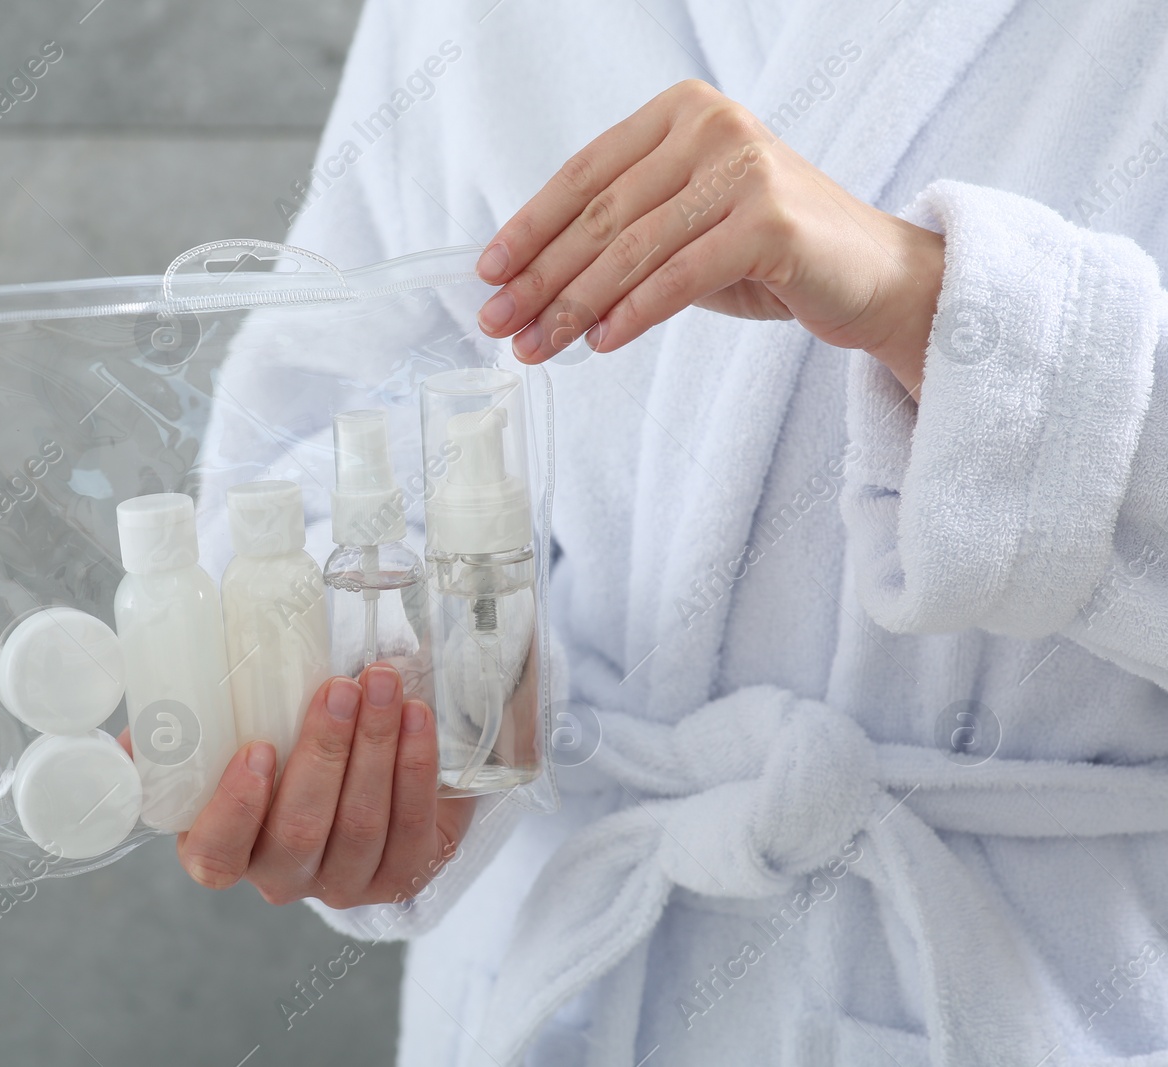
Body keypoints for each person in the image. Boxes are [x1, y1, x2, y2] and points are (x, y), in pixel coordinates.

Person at [157, 2, 1168, 1063]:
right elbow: (337, 439)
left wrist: (933, 301)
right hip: (579, 973)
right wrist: (398, 723)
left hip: (1046, 989)